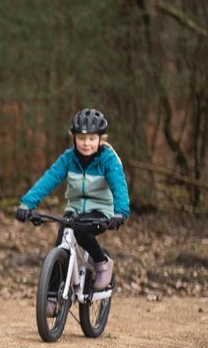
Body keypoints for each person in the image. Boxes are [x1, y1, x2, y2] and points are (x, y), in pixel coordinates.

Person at [14, 108, 129, 300]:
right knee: (60, 244)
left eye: (92, 139)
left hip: (101, 211)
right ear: (73, 137)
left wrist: (121, 212)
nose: (86, 143)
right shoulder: (69, 158)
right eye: (81, 138)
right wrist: (27, 204)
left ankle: (102, 262)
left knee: (81, 230)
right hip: (74, 210)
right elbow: (49, 179)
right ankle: (50, 296)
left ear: (101, 139)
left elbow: (119, 185)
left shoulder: (108, 160)